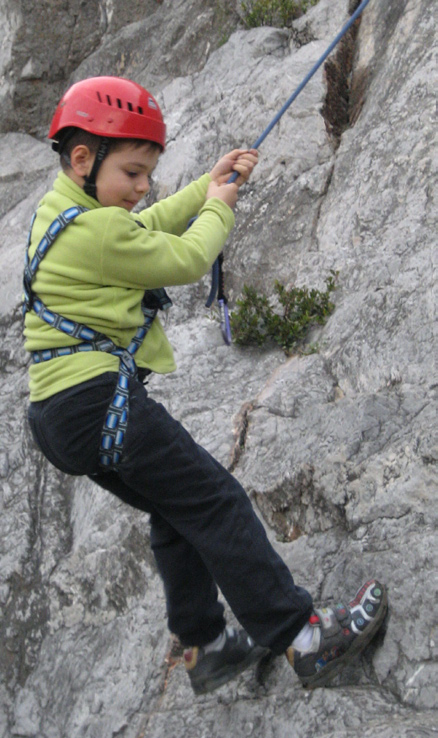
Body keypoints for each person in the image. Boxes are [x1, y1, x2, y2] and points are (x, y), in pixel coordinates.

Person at [23, 76, 387, 696]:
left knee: (174, 509)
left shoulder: (66, 212)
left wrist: (207, 185)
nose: (142, 189)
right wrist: (221, 207)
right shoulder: (98, 230)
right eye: (134, 174)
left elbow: (145, 226)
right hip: (97, 403)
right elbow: (186, 259)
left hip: (61, 415)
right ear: (83, 159)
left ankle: (209, 647)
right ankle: (304, 640)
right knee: (215, 500)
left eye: (147, 176)